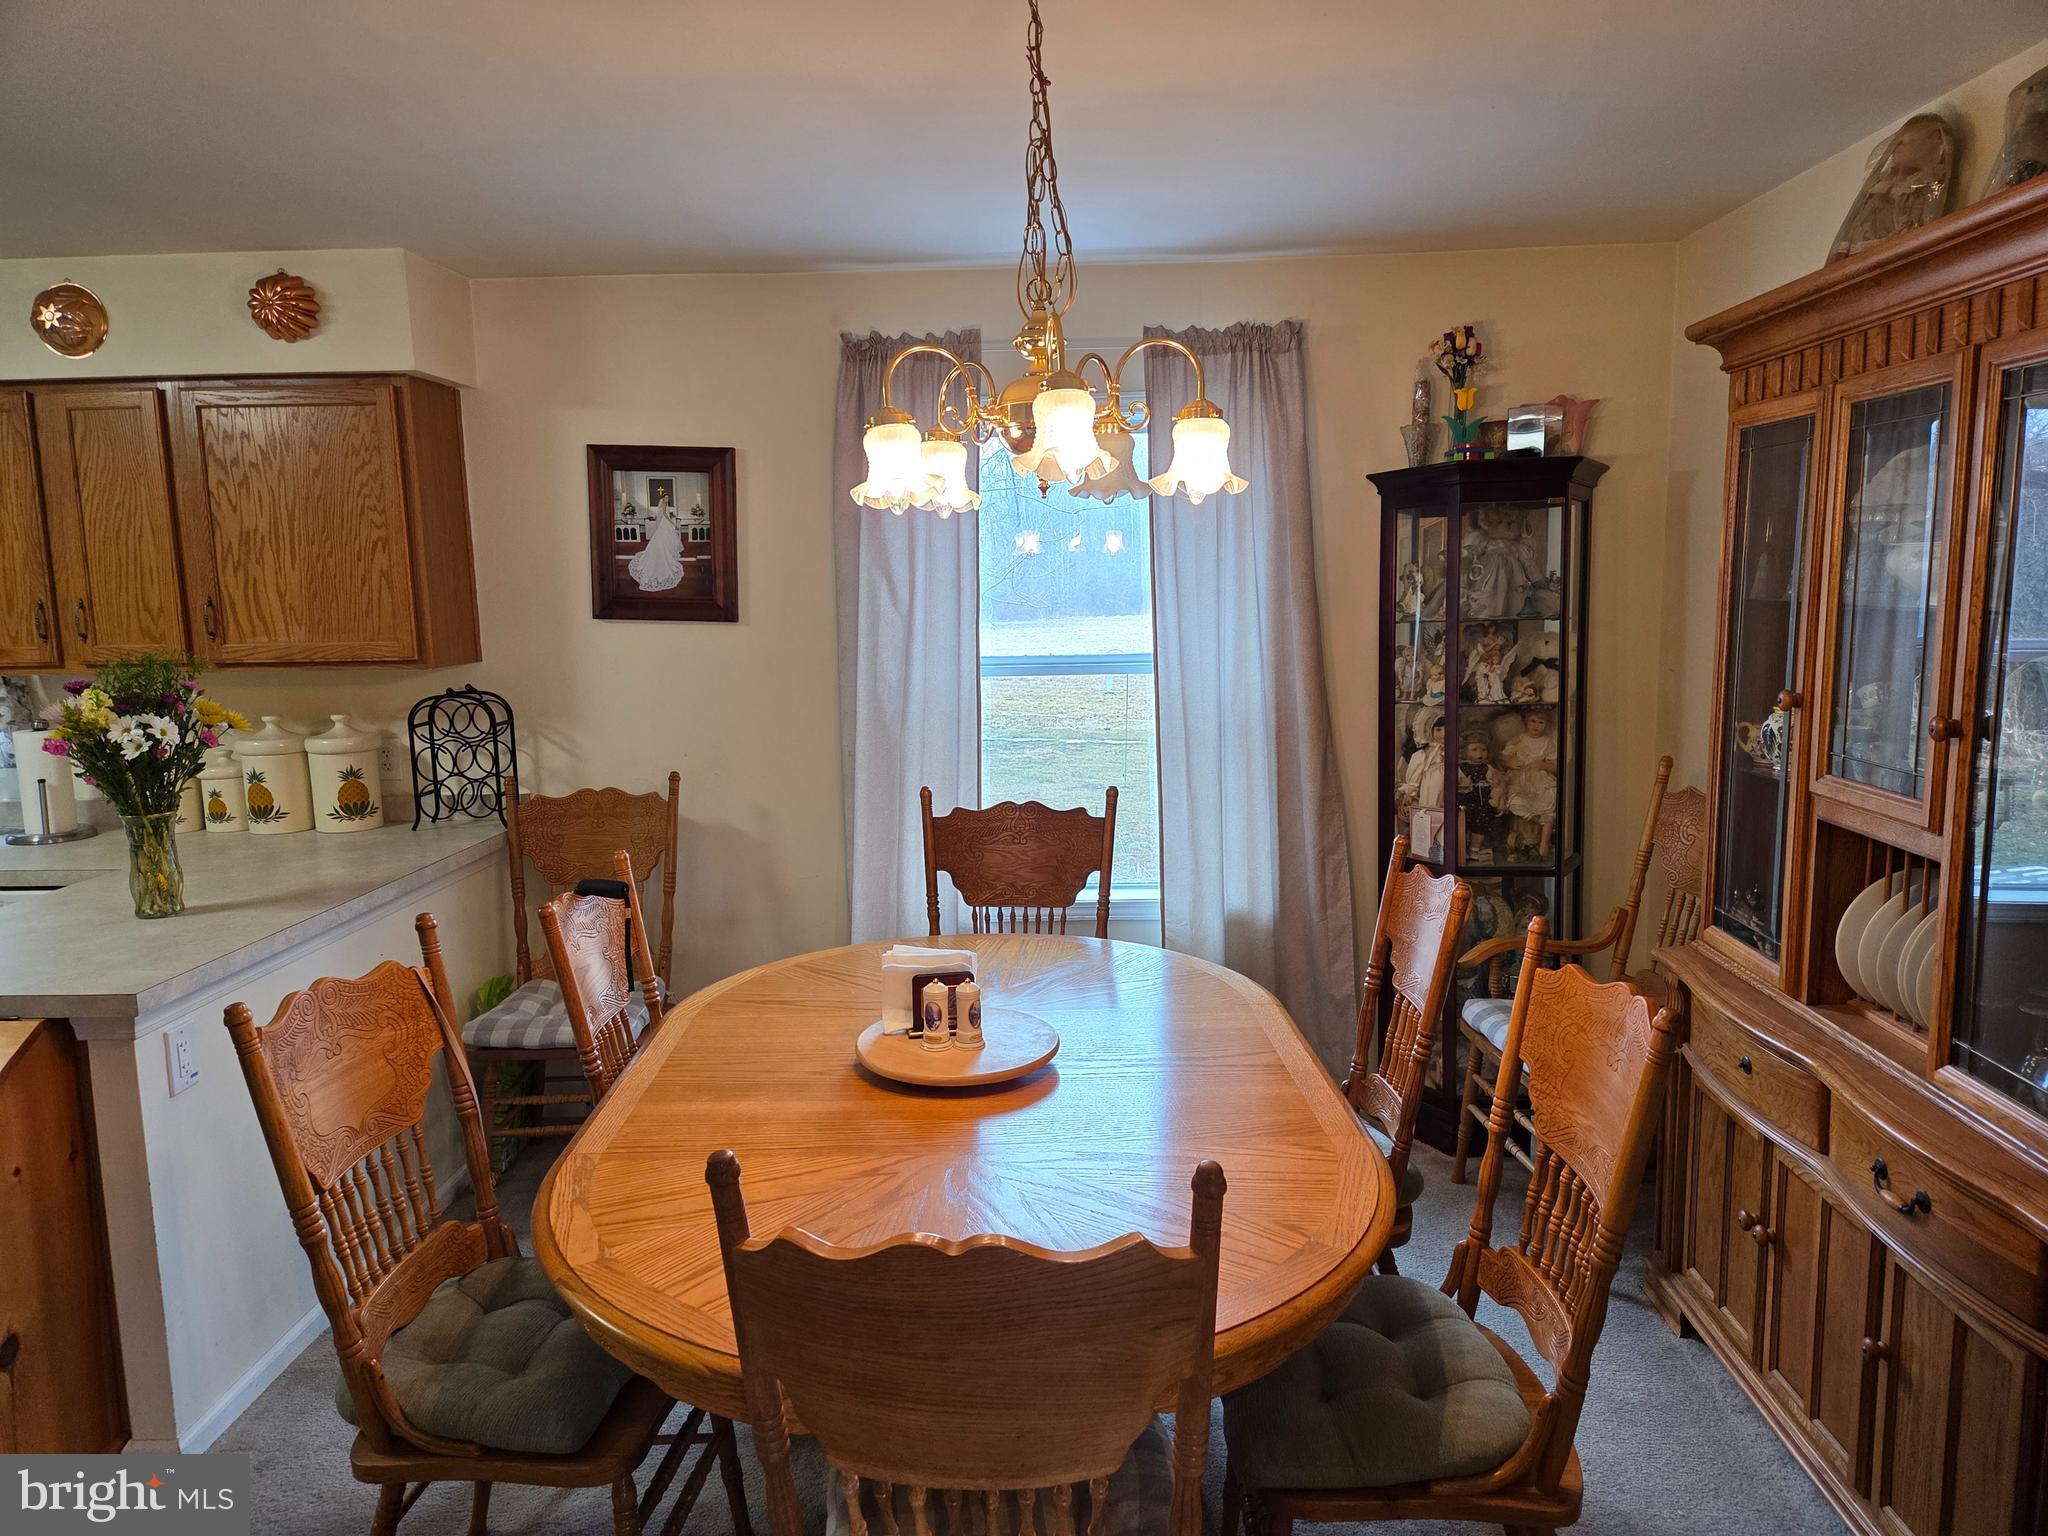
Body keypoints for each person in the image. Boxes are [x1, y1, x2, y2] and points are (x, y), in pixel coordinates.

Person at [627, 485, 686, 591]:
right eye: (665, 497)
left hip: (664, 523)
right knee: (666, 536)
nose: (667, 499)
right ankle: (667, 552)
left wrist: (669, 518)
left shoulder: (665, 503)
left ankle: (669, 551)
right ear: (663, 498)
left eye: (668, 498)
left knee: (669, 537)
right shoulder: (663, 504)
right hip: (665, 522)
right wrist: (670, 521)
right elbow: (663, 514)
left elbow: (664, 513)